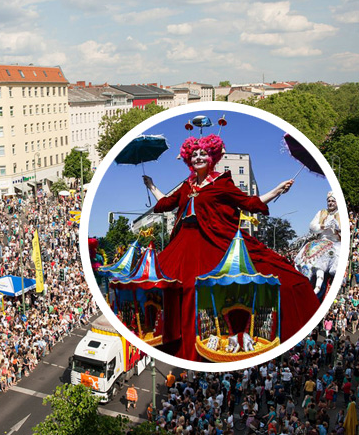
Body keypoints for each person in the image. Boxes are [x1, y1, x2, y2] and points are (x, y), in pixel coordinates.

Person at [143, 134, 320, 360]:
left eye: (203, 153)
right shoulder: (187, 185)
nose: (198, 157)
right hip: (183, 244)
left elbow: (248, 203)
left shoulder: (222, 182)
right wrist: (152, 186)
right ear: (189, 159)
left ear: (212, 157)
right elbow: (166, 204)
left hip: (213, 241)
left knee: (211, 288)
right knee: (166, 286)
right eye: (194, 154)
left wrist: (276, 191)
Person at [295, 192, 341, 298]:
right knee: (306, 249)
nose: (331, 203)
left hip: (336, 243)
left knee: (334, 262)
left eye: (333, 201)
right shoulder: (321, 212)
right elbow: (312, 227)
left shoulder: (341, 214)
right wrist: (323, 225)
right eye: (329, 201)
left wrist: (337, 228)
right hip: (321, 241)